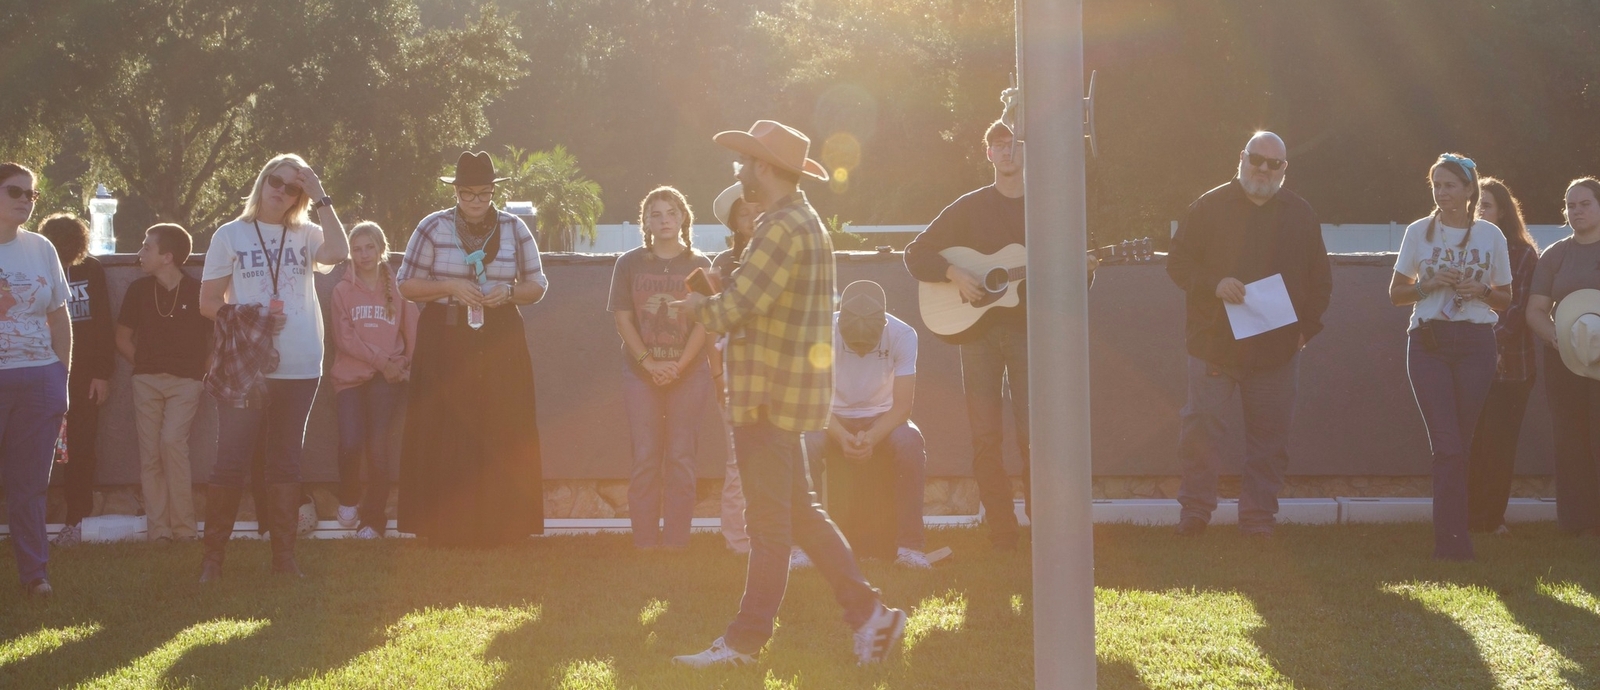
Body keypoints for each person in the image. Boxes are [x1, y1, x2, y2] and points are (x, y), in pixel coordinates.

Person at [672, 120, 906, 668]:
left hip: (766, 397)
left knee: (770, 527)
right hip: (783, 397)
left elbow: (734, 308)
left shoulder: (780, 228)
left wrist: (696, 307)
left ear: (765, 168)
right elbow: (760, 301)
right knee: (802, 516)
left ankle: (743, 643)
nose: (740, 170)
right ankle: (871, 615)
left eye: (746, 162)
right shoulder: (803, 222)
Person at [902, 120, 1096, 551]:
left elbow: (1069, 289)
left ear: (1028, 152)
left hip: (1030, 333)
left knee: (1036, 434)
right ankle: (1002, 530)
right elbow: (915, 254)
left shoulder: (1048, 209)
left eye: (1015, 144)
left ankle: (1043, 527)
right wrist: (954, 274)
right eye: (999, 145)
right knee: (986, 435)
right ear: (987, 153)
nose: (1008, 151)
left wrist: (1083, 274)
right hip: (977, 336)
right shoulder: (969, 208)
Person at [1166, 131, 1333, 539]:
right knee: (1201, 431)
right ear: (1241, 157)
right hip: (1214, 346)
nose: (1263, 168)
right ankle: (1195, 514)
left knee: (1269, 441)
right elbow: (1177, 262)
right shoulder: (1208, 206)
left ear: (1284, 169)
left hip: (1277, 351)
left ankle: (1258, 520)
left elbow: (1320, 279)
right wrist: (1214, 283)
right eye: (1256, 158)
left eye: (1273, 163)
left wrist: (1305, 331)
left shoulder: (1301, 214)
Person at [198, 153, 349, 581]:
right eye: (275, 181)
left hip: (301, 363)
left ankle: (284, 560)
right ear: (262, 182)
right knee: (230, 459)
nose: (281, 191)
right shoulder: (230, 235)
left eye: (293, 187)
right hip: (248, 364)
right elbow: (208, 304)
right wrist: (251, 315)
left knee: (286, 462)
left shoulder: (307, 233)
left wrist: (322, 196)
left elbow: (338, 253)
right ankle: (213, 560)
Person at [396, 151, 548, 547]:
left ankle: (505, 525)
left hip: (500, 334)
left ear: (494, 191)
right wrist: (449, 287)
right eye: (467, 194)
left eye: (483, 193)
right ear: (456, 192)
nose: (476, 201)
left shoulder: (515, 229)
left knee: (503, 425)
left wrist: (510, 292)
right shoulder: (432, 226)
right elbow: (406, 284)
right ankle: (443, 526)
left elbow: (538, 285)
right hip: (444, 332)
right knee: (443, 427)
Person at [1388, 154, 1512, 560]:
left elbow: (1506, 298)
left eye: (1450, 185)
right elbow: (1396, 293)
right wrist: (1426, 285)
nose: (1442, 192)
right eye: (1436, 185)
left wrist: (1481, 291)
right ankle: (1452, 544)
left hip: (1477, 342)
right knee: (1446, 444)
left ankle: (1459, 536)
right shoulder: (1417, 232)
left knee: (1463, 443)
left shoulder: (1491, 235)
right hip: (1429, 343)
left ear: (1469, 189)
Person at [608, 186, 712, 549]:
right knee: (646, 457)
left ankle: (676, 545)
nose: (664, 220)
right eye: (656, 214)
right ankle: (646, 545)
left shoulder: (702, 265)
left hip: (689, 374)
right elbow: (623, 320)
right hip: (640, 375)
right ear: (646, 222)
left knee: (682, 457)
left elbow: (705, 322)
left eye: (671, 212)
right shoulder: (629, 263)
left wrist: (679, 366)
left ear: (683, 217)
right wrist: (650, 364)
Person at [803, 280, 931, 569]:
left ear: (884, 325)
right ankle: (801, 547)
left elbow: (902, 407)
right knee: (804, 442)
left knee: (910, 442)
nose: (861, 352)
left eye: (867, 345)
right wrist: (841, 435)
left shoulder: (903, 335)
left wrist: (870, 437)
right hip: (829, 414)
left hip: (882, 414)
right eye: (853, 344)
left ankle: (910, 548)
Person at [0, 163, 71, 598]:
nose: (25, 199)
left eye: (32, 194)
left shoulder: (42, 246)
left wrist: (61, 375)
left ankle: (35, 576)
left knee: (29, 486)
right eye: (15, 191)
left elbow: (60, 316)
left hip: (39, 379)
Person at [116, 223, 210, 543]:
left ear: (167, 256)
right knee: (150, 454)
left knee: (172, 443)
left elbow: (218, 340)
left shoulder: (198, 291)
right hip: (146, 382)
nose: (140, 252)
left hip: (186, 382)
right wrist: (143, 366)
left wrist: (201, 372)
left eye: (146, 247)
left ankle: (185, 530)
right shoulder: (138, 290)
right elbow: (122, 337)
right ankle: (159, 533)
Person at [330, 222, 418, 539]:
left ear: (381, 248)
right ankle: (349, 497)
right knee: (351, 443)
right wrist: (382, 361)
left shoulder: (400, 288)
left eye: (369, 247)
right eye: (357, 249)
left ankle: (372, 521)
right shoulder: (342, 290)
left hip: (388, 380)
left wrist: (404, 364)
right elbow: (344, 339)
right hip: (351, 378)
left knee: (379, 451)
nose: (363, 255)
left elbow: (413, 334)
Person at [1525, 177, 1600, 536]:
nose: (1576, 211)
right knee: (1570, 438)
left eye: (1584, 203)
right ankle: (1576, 525)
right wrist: (1557, 338)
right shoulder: (1555, 254)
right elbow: (1536, 309)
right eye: (1571, 205)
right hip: (1565, 358)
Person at [1467, 177, 1540, 535]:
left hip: (1510, 369)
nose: (1479, 211)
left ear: (1503, 211)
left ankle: (1491, 520)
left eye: (1487, 206)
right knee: (1470, 444)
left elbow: (1516, 307)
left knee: (1497, 446)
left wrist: (1488, 348)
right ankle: (1467, 517)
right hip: (1466, 365)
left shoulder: (1521, 253)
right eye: (1476, 205)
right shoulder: (1464, 247)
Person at [38, 214, 113, 548]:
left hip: (84, 377)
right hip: (39, 370)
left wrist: (102, 373)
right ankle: (32, 522)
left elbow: (102, 324)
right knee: (35, 448)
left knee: (82, 448)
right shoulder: (35, 269)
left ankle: (76, 521)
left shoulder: (91, 270)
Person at [709, 182, 758, 553]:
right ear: (733, 223)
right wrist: (718, 374)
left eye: (759, 209)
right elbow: (711, 324)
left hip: (777, 371)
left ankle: (777, 535)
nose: (754, 218)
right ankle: (738, 540)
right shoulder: (722, 266)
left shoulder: (781, 256)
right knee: (737, 460)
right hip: (735, 371)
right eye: (745, 213)